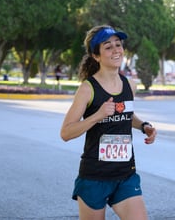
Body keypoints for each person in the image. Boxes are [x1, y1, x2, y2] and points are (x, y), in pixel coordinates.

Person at [60, 25, 157, 220]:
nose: (116, 50)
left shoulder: (129, 84)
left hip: (125, 175)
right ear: (96, 56)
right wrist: (97, 115)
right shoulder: (88, 89)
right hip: (94, 177)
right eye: (108, 47)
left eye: (118, 45)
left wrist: (144, 126)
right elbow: (66, 133)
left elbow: (126, 114)